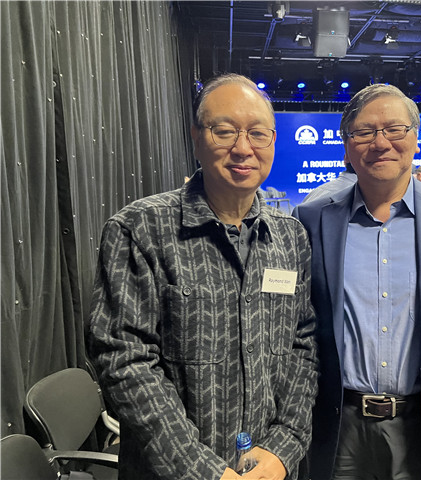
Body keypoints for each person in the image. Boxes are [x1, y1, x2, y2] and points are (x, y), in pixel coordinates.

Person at [88, 74, 318, 479]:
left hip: (268, 468)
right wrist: (202, 471)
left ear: (272, 141)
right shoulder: (141, 229)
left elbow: (303, 345)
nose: (243, 148)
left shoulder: (291, 236)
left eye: (257, 133)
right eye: (224, 131)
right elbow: (125, 360)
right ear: (196, 138)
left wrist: (283, 448)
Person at [293, 84, 421, 480]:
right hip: (340, 422)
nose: (380, 143)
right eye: (364, 132)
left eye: (395, 129)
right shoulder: (313, 219)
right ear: (347, 147)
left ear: (415, 139)